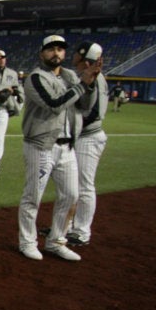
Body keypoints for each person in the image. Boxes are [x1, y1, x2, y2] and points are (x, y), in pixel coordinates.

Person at [17, 35, 100, 262]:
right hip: (40, 145)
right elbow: (54, 104)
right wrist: (83, 84)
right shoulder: (35, 77)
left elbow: (85, 106)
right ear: (42, 53)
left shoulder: (70, 76)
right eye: (51, 49)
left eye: (61, 50)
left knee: (72, 195)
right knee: (33, 196)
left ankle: (56, 241)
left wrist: (90, 84)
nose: (57, 53)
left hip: (67, 145)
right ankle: (27, 241)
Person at [67, 41, 109, 247]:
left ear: (83, 57)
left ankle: (81, 231)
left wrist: (71, 127)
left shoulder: (95, 77)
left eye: (75, 52)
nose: (72, 55)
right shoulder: (87, 75)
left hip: (88, 138)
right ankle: (65, 227)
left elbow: (93, 113)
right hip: (83, 137)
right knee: (72, 186)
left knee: (84, 186)